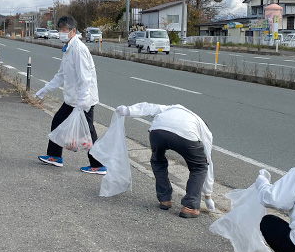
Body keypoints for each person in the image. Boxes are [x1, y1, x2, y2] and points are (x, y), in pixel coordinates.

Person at [116, 103, 215, 217]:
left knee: (157, 161)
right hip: (185, 135)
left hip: (157, 131)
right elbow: (208, 162)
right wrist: (208, 197)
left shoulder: (171, 108)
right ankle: (190, 206)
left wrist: (128, 110)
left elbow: (148, 107)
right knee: (199, 167)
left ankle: (164, 199)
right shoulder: (204, 129)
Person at [36, 16, 105, 174]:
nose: (61, 32)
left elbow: (85, 78)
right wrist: (45, 89)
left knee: (88, 132)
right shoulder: (68, 48)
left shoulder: (78, 49)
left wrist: (82, 102)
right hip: (72, 99)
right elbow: (61, 75)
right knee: (58, 122)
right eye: (59, 29)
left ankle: (98, 165)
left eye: (64, 30)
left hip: (83, 100)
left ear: (73, 31)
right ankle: (54, 156)